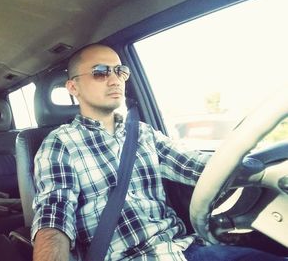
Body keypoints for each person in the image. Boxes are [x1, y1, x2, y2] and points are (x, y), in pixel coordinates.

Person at [31, 44, 285, 261]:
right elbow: (54, 217)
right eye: (100, 72)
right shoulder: (60, 143)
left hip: (186, 249)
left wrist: (258, 164)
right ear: (73, 88)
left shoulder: (142, 133)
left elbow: (197, 166)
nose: (114, 79)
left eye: (121, 71)